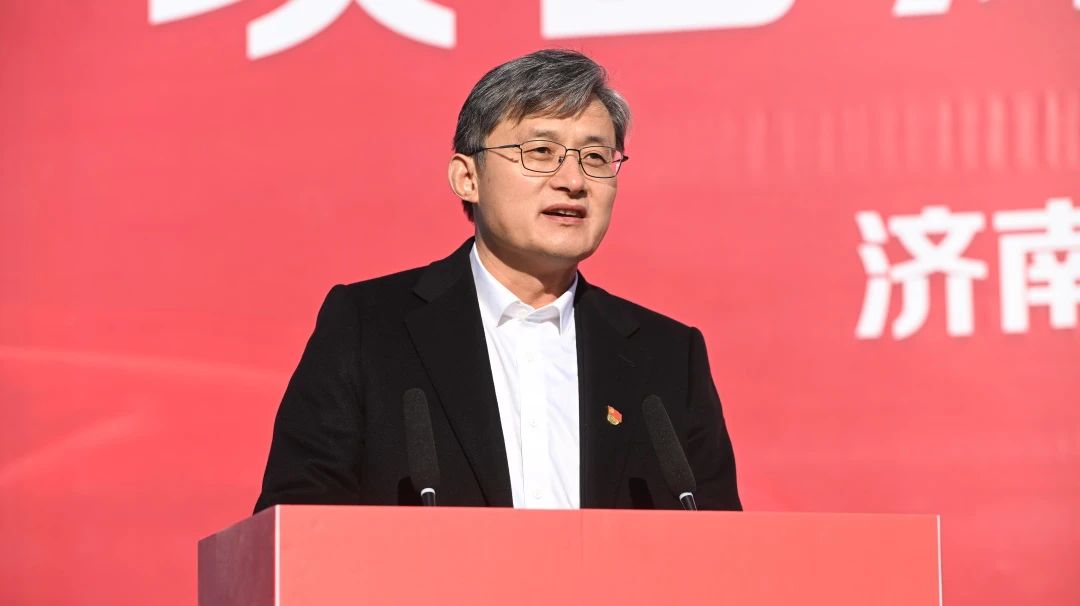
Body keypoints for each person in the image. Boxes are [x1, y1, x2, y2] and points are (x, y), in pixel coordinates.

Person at [254, 49, 740, 513]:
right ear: (467, 178)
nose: (573, 181)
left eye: (595, 157)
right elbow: (296, 522)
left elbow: (718, 543)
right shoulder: (368, 328)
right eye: (541, 151)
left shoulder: (668, 357)